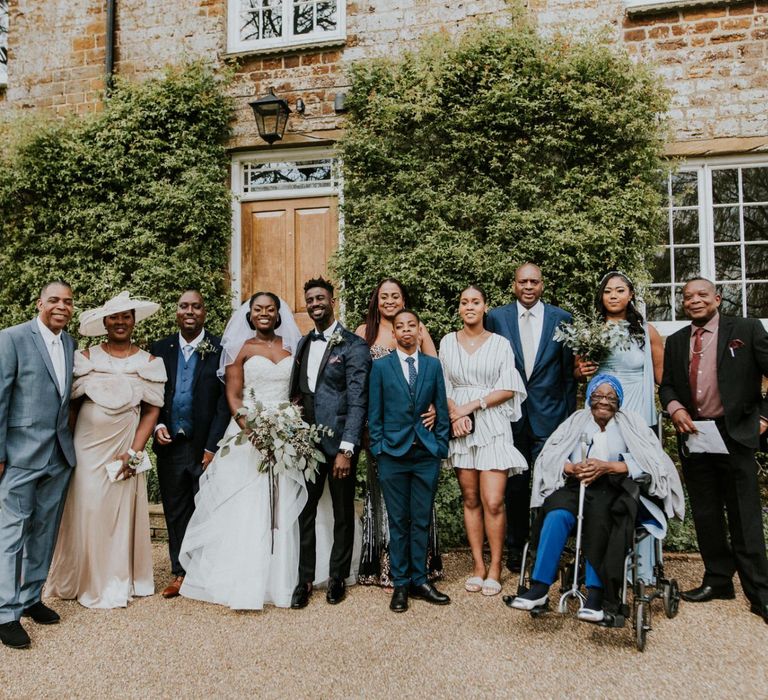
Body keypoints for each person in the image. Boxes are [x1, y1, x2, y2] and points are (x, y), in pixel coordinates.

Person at [179, 291, 322, 610]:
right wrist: (253, 432)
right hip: (248, 432)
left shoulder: (292, 348)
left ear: (278, 314)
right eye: (259, 309)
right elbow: (233, 396)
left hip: (285, 429)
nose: (265, 314)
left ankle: (285, 574)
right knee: (247, 504)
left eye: (270, 309)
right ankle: (245, 577)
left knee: (285, 500)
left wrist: (289, 422)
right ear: (250, 314)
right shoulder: (239, 349)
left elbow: (297, 391)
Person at [507, 374, 684, 622]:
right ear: (589, 398)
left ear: (619, 402)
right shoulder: (576, 421)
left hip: (614, 487)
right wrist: (570, 468)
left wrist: (610, 466)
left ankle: (596, 594)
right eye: (598, 395)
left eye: (611, 397)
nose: (604, 401)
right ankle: (538, 587)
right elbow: (551, 454)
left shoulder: (631, 423)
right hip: (575, 485)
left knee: (600, 516)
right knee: (556, 512)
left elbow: (652, 462)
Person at [46, 291, 167, 609]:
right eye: (114, 317)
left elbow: (152, 411)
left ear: (133, 320)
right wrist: (64, 451)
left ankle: (113, 580)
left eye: (126, 316)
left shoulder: (150, 363)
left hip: (123, 448)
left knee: (116, 513)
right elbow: (70, 406)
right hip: (86, 448)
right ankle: (83, 577)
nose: (120, 322)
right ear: (104, 321)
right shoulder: (85, 358)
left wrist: (134, 452)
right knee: (87, 509)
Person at [660, 277, 768, 624]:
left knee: (744, 513)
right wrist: (675, 408)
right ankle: (718, 580)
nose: (694, 301)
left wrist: (764, 418)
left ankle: (760, 591)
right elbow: (669, 386)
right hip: (695, 433)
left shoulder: (747, 330)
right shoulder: (676, 342)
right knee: (706, 512)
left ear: (717, 298)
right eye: (688, 296)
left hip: (735, 433)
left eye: (702, 295)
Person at [0, 280, 77, 649]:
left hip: (58, 456)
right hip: (18, 455)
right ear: (39, 303)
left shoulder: (70, 343)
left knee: (44, 532)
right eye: (54, 300)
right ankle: (4, 612)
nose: (62, 306)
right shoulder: (12, 338)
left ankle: (30, 597)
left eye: (68, 301)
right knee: (11, 533)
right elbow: (0, 397)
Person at [486, 263, 576, 572]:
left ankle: (541, 548)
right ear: (514, 285)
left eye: (533, 282)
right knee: (515, 485)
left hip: (550, 417)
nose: (528, 286)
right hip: (510, 417)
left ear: (542, 285)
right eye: (523, 281)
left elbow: (567, 376)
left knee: (548, 482)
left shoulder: (562, 319)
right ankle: (515, 547)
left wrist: (565, 418)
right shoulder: (497, 318)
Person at [439, 285, 527, 596]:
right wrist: (455, 414)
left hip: (492, 424)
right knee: (471, 498)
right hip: (461, 427)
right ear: (459, 308)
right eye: (464, 302)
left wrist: (473, 406)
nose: (469, 306)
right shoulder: (448, 342)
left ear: (484, 307)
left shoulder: (500, 344)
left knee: (493, 500)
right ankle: (478, 565)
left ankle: (496, 566)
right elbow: (444, 384)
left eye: (475, 301)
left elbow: (508, 387)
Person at [289, 277, 372, 609]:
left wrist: (347, 448)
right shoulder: (304, 343)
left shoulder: (353, 345)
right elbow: (298, 393)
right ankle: (305, 579)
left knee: (341, 513)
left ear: (332, 301)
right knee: (304, 512)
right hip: (307, 447)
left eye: (320, 298)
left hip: (339, 446)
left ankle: (337, 577)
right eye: (309, 299)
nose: (314, 304)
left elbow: (358, 401)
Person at [355, 277, 443, 587]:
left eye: (395, 296)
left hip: (419, 433)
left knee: (417, 507)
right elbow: (358, 383)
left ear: (403, 300)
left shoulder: (418, 330)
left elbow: (435, 372)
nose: (390, 301)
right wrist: (371, 435)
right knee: (384, 501)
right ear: (376, 301)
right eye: (384, 297)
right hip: (381, 431)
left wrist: (435, 409)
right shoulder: (363, 334)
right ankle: (387, 567)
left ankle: (420, 570)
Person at [368, 309, 452, 612]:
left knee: (420, 519)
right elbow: (374, 412)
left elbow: (440, 407)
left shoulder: (432, 366)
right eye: (400, 327)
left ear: (419, 331)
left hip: (425, 453)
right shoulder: (380, 367)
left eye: (411, 326)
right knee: (398, 521)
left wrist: (440, 445)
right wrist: (378, 448)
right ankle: (400, 583)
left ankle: (421, 579)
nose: (405, 331)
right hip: (392, 453)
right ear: (394, 334)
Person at [150, 290, 230, 599]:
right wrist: (157, 426)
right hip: (170, 445)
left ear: (205, 312)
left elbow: (224, 402)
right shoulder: (160, 349)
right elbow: (153, 394)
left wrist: (213, 446)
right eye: (184, 306)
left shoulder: (220, 349)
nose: (190, 311)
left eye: (196, 306)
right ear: (177, 311)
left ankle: (206, 572)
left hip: (205, 447)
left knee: (207, 509)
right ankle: (181, 572)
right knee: (175, 509)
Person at [574, 271, 663, 430]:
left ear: (631, 295)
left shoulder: (647, 332)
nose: (613, 296)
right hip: (602, 405)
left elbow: (662, 377)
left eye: (620, 290)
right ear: (602, 296)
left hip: (638, 408)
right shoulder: (589, 334)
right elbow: (577, 374)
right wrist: (581, 372)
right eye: (607, 291)